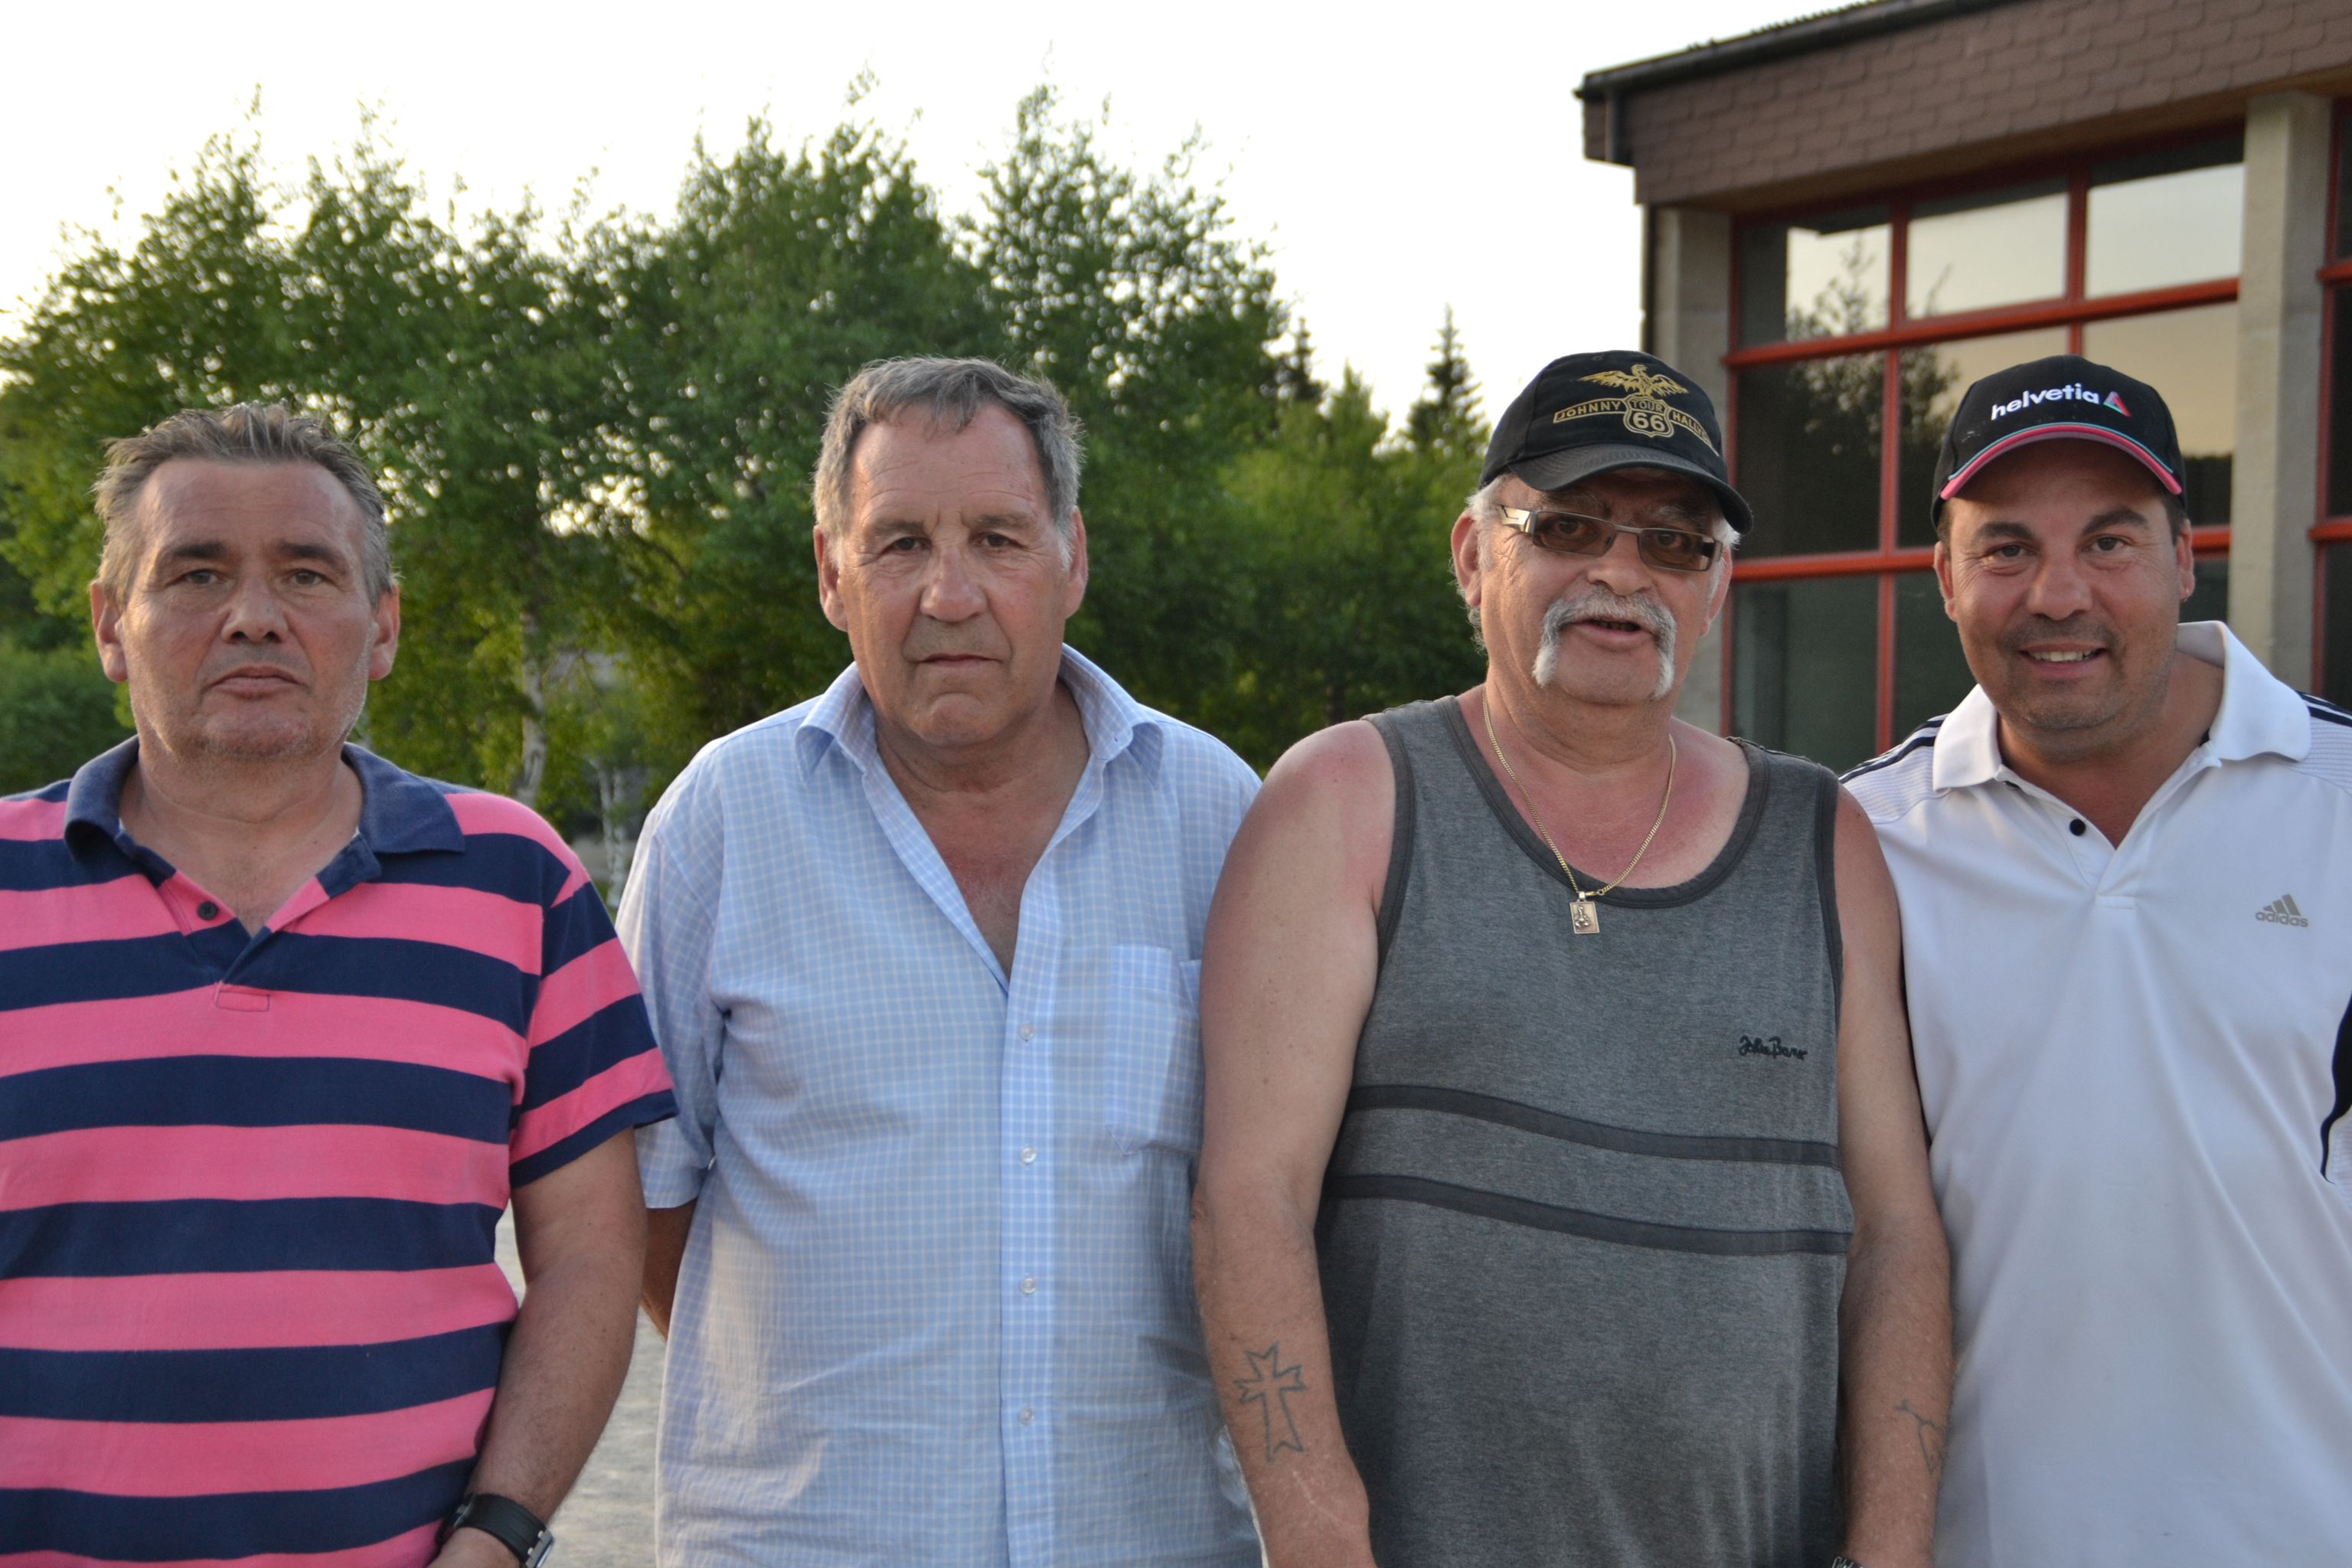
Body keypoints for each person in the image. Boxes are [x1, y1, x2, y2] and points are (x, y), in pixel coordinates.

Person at [1192, 351, 1952, 1568]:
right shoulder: (1346, 804)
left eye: (1675, 543)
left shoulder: (1824, 842)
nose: (1621, 573)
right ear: (1471, 554)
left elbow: (1897, 1234)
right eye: (1569, 527)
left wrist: (1891, 1552)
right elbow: (1249, 1202)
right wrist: (1321, 1545)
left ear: (1716, 587)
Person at [0, 403, 674, 1567]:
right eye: (197, 573)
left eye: (307, 574)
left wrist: (499, 1534)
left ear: (383, 626)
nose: (254, 616)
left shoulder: (517, 883)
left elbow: (591, 1259)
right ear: (112, 624)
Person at [621, 356, 1262, 1566]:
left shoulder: (1218, 819)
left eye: (998, 540)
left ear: (1073, 559)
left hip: (1143, 1539)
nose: (949, 595)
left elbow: (1277, 1203)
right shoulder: (723, 824)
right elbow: (641, 1204)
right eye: (901, 543)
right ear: (831, 572)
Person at [1844, 354, 2352, 1566]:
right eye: (2006, 548)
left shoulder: (2340, 804)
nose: (2058, 594)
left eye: (2110, 542)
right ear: (1945, 579)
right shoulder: (1862, 844)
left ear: (2185, 558)